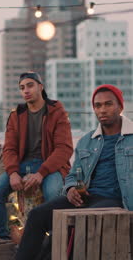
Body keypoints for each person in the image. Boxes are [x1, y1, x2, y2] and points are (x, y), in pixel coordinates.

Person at [16, 84, 133, 259]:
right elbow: (72, 174)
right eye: (98, 105)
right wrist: (70, 188)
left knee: (77, 225)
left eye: (108, 104)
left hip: (118, 200)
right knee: (37, 215)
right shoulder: (87, 141)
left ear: (120, 107)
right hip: (85, 198)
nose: (102, 110)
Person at [0, 71, 74, 239]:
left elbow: (64, 149)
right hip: (22, 165)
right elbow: (9, 149)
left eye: (30, 85)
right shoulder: (16, 115)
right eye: (22, 88)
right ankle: (3, 238)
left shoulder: (56, 111)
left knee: (53, 193)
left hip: (50, 166)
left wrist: (41, 173)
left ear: (40, 87)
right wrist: (13, 172)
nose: (26, 91)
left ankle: (55, 239)